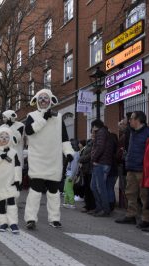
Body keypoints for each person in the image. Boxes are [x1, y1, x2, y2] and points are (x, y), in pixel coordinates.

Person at [24, 89, 74, 229]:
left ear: (51, 100)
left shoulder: (58, 117)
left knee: (54, 192)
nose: (43, 100)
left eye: (46, 98)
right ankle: (30, 218)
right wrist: (44, 118)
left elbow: (64, 138)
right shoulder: (32, 116)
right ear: (37, 101)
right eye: (41, 98)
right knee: (35, 191)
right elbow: (28, 131)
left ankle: (54, 218)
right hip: (38, 160)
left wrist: (68, 152)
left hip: (54, 160)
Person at [115, 111, 149, 228]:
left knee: (144, 195)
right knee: (130, 193)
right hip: (131, 168)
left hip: (142, 169)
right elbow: (124, 127)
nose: (129, 120)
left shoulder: (148, 133)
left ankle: (147, 219)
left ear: (138, 120)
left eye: (131, 118)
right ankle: (131, 215)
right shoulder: (132, 132)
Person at [0, 127, 22, 234]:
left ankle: (13, 223)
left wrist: (17, 180)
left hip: (10, 180)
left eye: (6, 137)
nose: (4, 139)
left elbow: (17, 165)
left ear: (10, 139)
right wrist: (0, 157)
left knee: (11, 201)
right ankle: (3, 222)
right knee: (1, 202)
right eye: (2, 137)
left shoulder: (13, 152)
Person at [90, 120, 113, 217]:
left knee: (99, 187)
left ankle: (105, 209)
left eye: (92, 127)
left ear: (95, 126)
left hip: (101, 163)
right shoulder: (103, 132)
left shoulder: (101, 133)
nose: (92, 130)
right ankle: (99, 208)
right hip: (102, 162)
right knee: (94, 186)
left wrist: (94, 158)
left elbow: (100, 147)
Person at [78, 139, 95, 213]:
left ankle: (91, 206)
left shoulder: (94, 145)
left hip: (90, 169)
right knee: (86, 188)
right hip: (85, 170)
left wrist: (81, 159)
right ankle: (87, 205)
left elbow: (89, 156)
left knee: (90, 189)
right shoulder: (87, 146)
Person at [63, 139, 80, 209]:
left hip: (70, 175)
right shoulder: (73, 154)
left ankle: (71, 203)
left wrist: (72, 176)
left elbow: (74, 167)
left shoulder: (75, 154)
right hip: (69, 174)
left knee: (69, 189)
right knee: (66, 189)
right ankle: (66, 202)